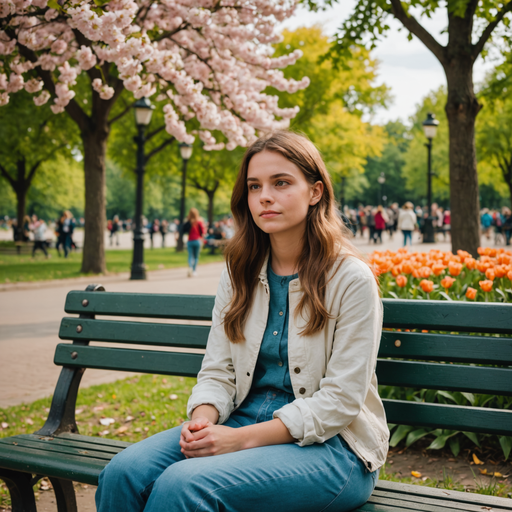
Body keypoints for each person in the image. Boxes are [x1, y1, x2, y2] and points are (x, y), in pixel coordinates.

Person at [95, 131, 387, 512]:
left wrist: (238, 440)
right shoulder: (239, 274)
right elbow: (218, 369)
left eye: (281, 183)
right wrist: (203, 422)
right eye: (254, 186)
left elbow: (340, 401)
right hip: (241, 419)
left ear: (315, 192)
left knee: (184, 485)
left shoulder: (351, 279)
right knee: (123, 472)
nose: (264, 196)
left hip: (334, 447)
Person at [181, 208, 206, 276]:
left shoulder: (188, 222)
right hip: (197, 241)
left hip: (190, 241)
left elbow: (183, 230)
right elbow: (203, 232)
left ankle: (190, 267)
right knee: (196, 257)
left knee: (190, 256)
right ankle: (194, 270)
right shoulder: (199, 222)